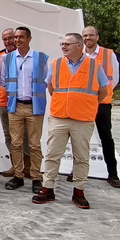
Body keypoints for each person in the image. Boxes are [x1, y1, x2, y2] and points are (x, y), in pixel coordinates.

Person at [33, 32, 109, 209]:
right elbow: (51, 87)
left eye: (68, 44)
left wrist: (85, 104)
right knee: (52, 155)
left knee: (81, 157)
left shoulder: (95, 66)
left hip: (83, 119)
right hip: (59, 117)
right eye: (62, 44)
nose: (64, 47)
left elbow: (103, 92)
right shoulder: (56, 64)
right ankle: (48, 188)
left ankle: (79, 191)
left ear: (79, 46)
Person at [2, 26, 49, 194]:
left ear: (29, 39)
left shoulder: (40, 58)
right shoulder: (7, 59)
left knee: (35, 144)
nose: (17, 40)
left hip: (34, 107)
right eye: (15, 37)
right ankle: (18, 175)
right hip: (15, 106)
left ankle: (36, 177)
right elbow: (3, 81)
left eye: (21, 37)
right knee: (16, 143)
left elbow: (46, 80)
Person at [83, 25, 120, 188]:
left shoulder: (108, 54)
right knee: (80, 139)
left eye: (91, 35)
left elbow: (114, 80)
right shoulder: (80, 56)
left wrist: (98, 96)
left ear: (97, 37)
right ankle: (76, 171)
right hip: (84, 104)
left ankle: (113, 174)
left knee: (106, 138)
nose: (88, 38)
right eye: (85, 36)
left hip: (102, 104)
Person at [0, 27, 17, 158]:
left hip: (21, 101)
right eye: (5, 39)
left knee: (23, 134)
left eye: (11, 38)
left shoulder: (24, 54)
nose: (8, 41)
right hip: (4, 102)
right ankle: (15, 164)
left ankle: (26, 165)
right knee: (8, 134)